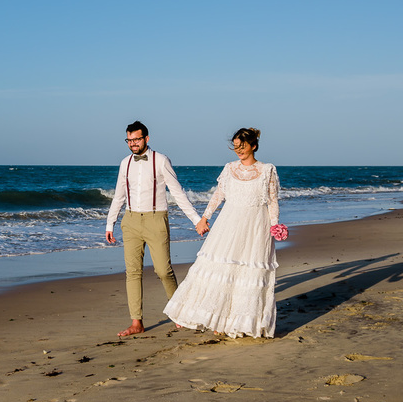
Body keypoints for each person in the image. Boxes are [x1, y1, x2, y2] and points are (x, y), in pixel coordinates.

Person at [163, 127, 282, 338]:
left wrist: (275, 225)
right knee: (224, 268)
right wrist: (204, 218)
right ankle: (217, 319)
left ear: (253, 146)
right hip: (229, 225)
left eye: (242, 146)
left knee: (247, 271)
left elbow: (272, 200)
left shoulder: (267, 170)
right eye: (236, 147)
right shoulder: (229, 168)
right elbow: (219, 194)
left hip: (256, 227)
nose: (238, 150)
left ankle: (241, 322)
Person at [105, 120, 207, 338]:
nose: (133, 144)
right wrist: (109, 223)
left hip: (156, 220)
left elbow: (178, 193)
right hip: (130, 221)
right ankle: (136, 322)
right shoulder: (125, 163)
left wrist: (196, 220)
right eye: (129, 140)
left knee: (163, 270)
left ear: (146, 139)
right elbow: (119, 195)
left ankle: (178, 311)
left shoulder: (161, 161)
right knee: (132, 272)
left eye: (137, 139)